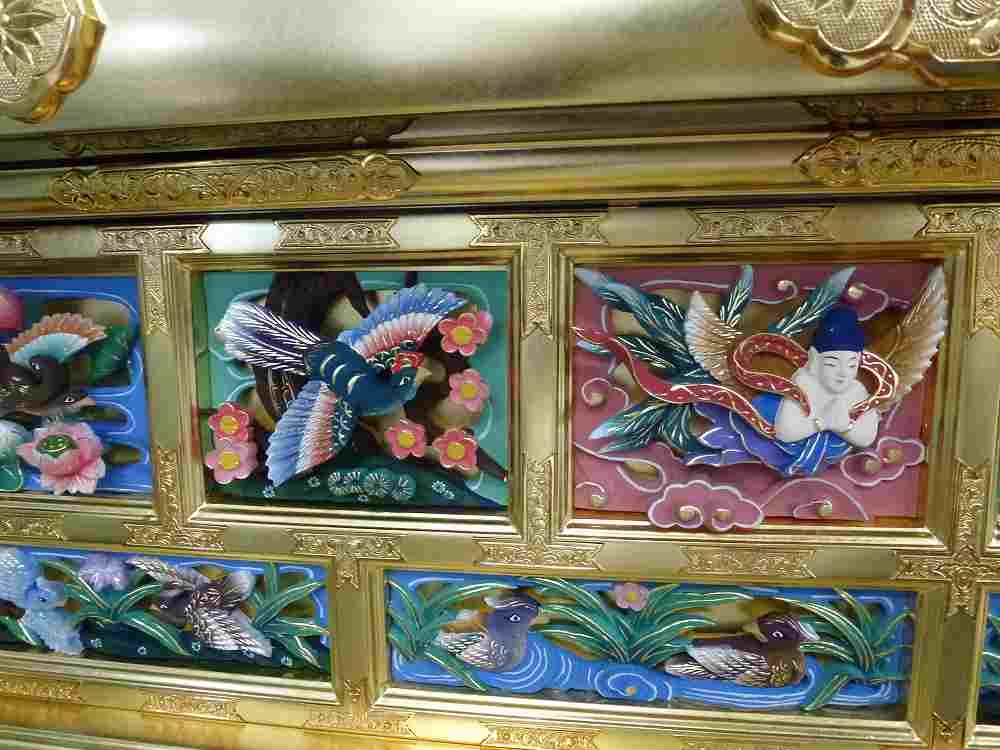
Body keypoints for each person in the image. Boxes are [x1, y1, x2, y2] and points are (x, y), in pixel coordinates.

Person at [685, 306, 879, 477]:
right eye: (832, 364)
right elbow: (785, 432)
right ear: (814, 359)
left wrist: (844, 427)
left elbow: (867, 436)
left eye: (852, 365)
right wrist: (821, 423)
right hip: (779, 445)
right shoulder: (804, 382)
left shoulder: (857, 390)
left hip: (831, 457)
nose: (843, 373)